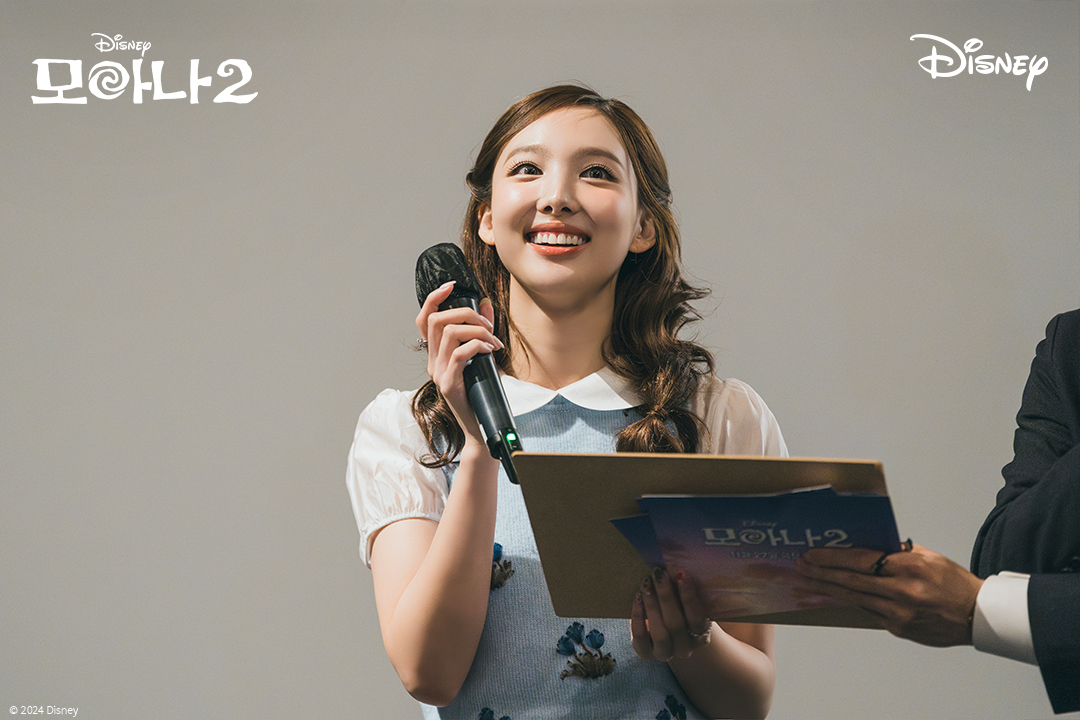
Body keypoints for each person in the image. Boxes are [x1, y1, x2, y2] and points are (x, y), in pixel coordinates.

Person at [346, 85, 785, 719]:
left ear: (644, 226)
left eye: (597, 173)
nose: (557, 196)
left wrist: (692, 641)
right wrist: (478, 448)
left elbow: (750, 704)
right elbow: (428, 672)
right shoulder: (411, 428)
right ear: (486, 218)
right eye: (527, 169)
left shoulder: (718, 417)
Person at [796, 308, 1080, 714]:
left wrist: (977, 607)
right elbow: (1004, 564)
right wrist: (979, 604)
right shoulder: (1069, 341)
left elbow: (986, 591)